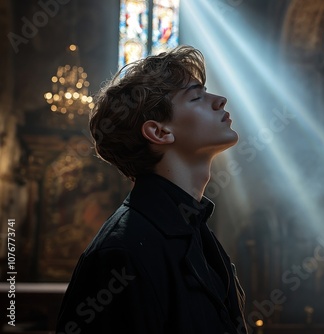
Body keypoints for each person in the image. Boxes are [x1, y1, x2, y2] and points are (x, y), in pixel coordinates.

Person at [56, 46, 247, 334]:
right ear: (159, 132)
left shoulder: (196, 230)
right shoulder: (121, 254)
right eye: (197, 96)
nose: (220, 101)